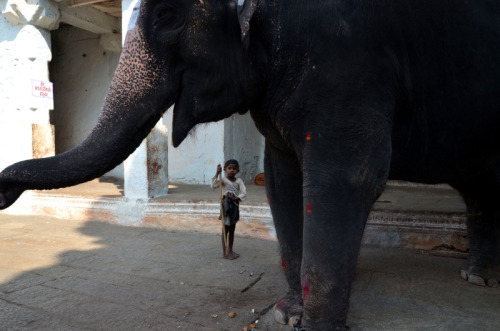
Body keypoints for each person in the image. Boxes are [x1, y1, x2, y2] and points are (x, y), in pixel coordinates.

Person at [211, 159, 247, 260]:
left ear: (237, 170)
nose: (232, 170)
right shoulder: (223, 180)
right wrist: (216, 173)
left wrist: (235, 198)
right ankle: (225, 252)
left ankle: (230, 250)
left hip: (234, 207)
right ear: (225, 170)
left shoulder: (239, 181)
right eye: (229, 168)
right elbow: (213, 185)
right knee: (225, 229)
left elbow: (244, 192)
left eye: (234, 169)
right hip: (226, 208)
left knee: (232, 229)